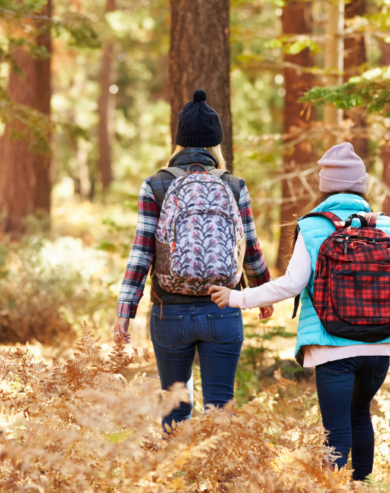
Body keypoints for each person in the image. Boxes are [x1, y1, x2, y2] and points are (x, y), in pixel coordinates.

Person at [210, 142, 390, 481]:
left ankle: (333, 489)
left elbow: (291, 285)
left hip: (331, 344)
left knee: (335, 429)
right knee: (360, 415)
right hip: (381, 346)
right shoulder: (386, 224)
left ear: (325, 186)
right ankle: (362, 486)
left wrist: (237, 298)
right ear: (361, 186)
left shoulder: (311, 226)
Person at [112, 89, 273, 434]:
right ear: (217, 143)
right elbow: (252, 248)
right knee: (220, 408)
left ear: (179, 142)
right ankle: (217, 483)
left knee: (174, 405)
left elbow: (142, 253)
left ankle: (177, 480)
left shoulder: (156, 184)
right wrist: (263, 293)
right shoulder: (233, 185)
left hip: (169, 311)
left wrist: (124, 311)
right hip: (223, 307)